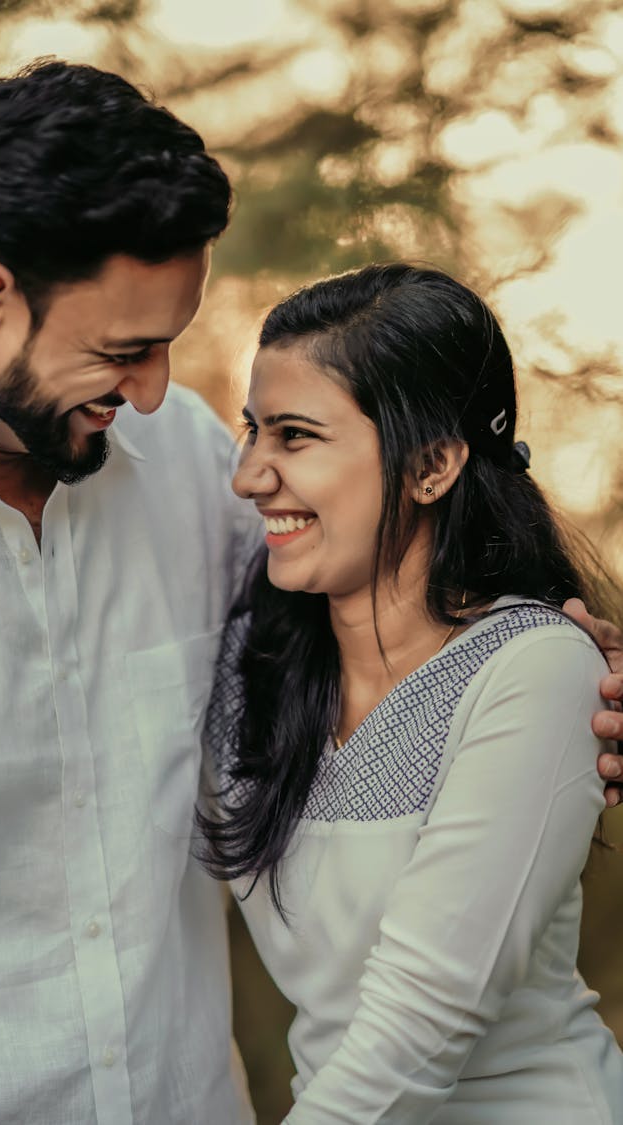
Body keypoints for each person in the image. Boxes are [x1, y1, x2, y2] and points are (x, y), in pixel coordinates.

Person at [0, 59, 259, 1124]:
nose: (154, 391)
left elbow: (358, 659)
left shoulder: (188, 459)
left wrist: (531, 660)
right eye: (123, 352)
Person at [201, 262, 623, 1122]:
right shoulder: (251, 667)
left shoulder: (532, 669)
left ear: (432, 464)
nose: (248, 475)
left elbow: (422, 1018)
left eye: (295, 436)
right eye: (252, 431)